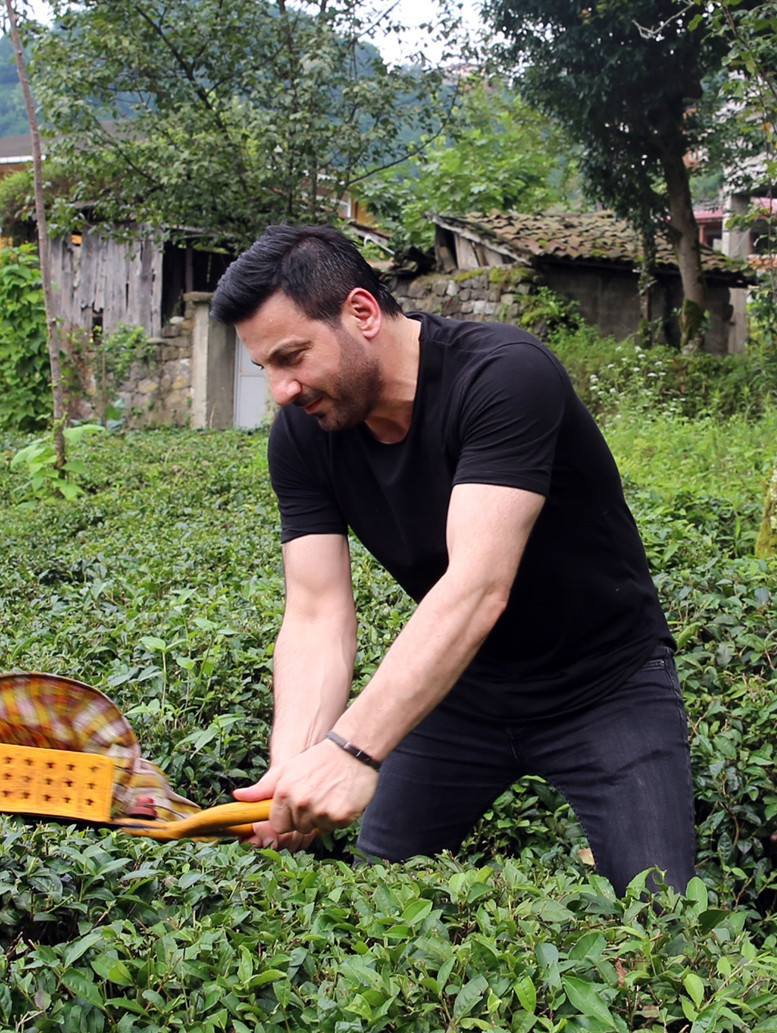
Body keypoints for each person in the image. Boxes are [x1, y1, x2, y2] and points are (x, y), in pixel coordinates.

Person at [215, 225, 695, 893]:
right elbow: (317, 611)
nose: (284, 391)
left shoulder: (504, 375)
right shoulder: (304, 435)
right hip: (461, 689)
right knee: (378, 905)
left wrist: (353, 749)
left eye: (294, 356)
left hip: (606, 686)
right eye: (267, 368)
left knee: (660, 920)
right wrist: (295, 766)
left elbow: (476, 586)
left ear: (362, 313)